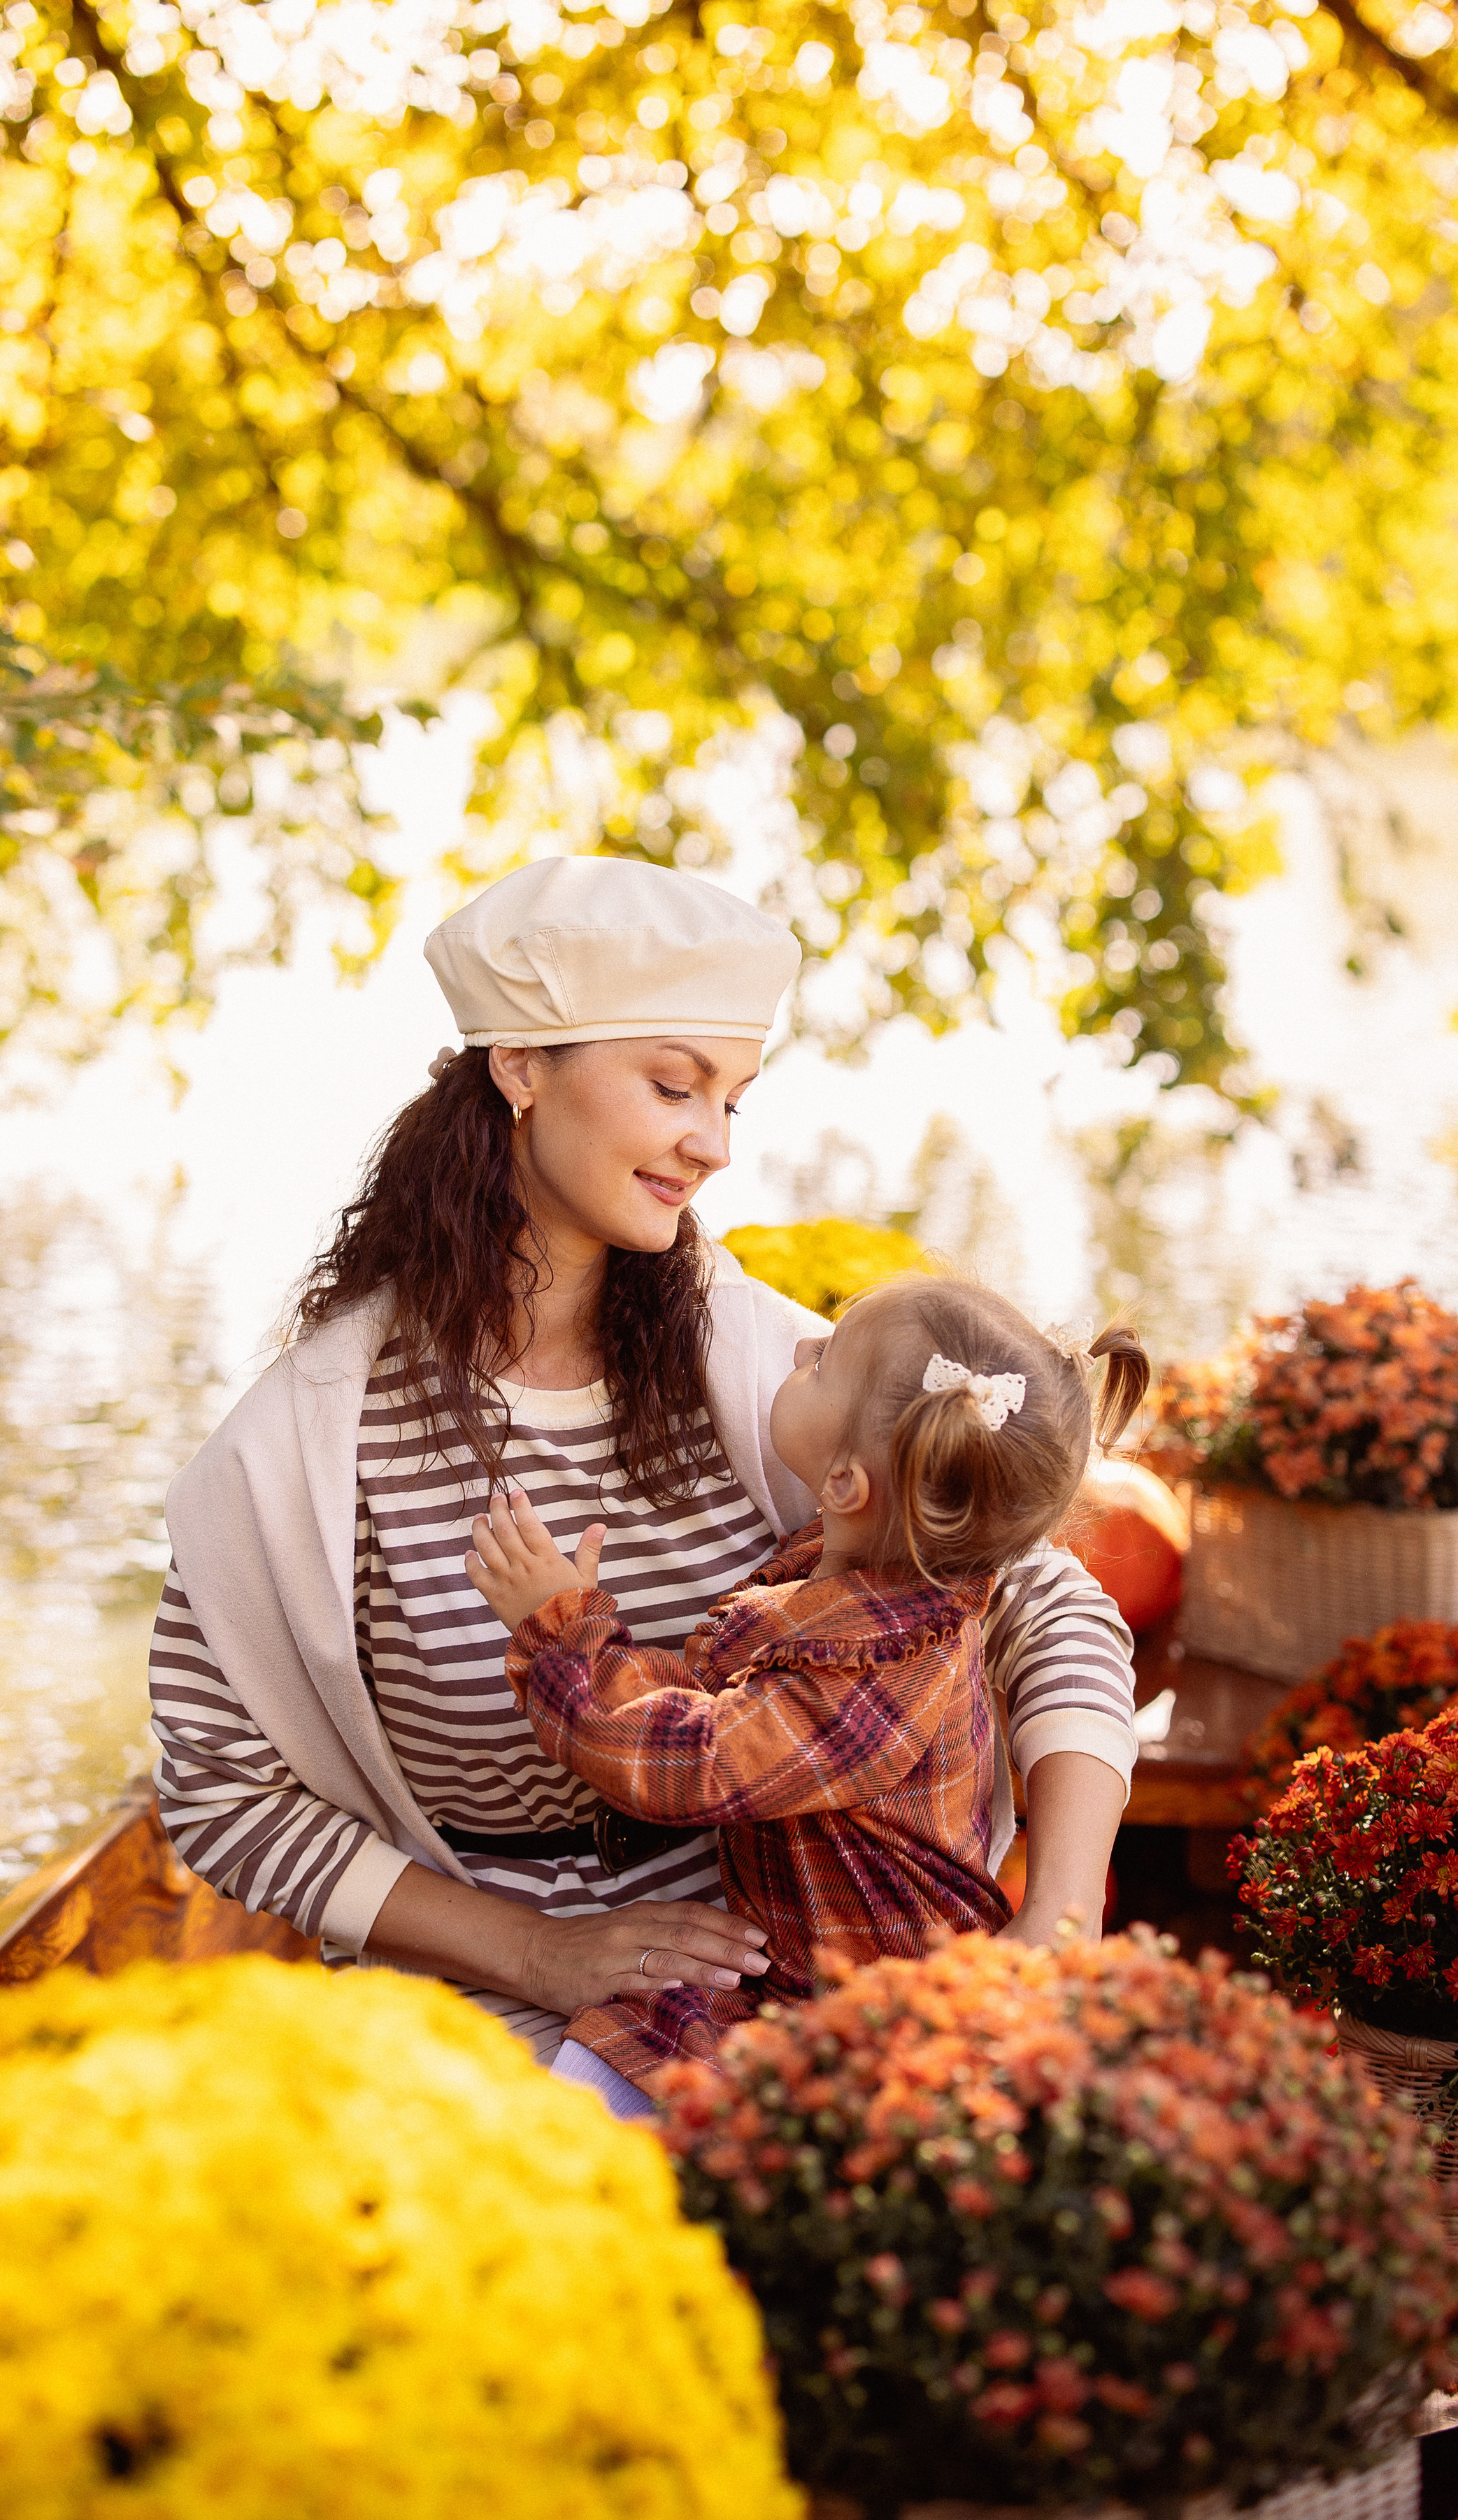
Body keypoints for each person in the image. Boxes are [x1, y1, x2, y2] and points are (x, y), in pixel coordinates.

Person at [149, 856, 1138, 2119]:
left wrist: (1060, 1906)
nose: (713, 1146)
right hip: (474, 1982)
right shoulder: (309, 1445)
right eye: (675, 1086)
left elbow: (1039, 1601)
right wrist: (538, 1956)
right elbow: (223, 1792)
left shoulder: (766, 1367)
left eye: (735, 1100)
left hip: (802, 1964)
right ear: (520, 1067)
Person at [465, 1275, 1150, 2100]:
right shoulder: (856, 1586)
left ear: (842, 1486)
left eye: (822, 1362)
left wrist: (561, 1636)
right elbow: (719, 1700)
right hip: (808, 1976)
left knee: (593, 2115)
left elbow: (699, 1761)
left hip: (869, 2022)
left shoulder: (877, 1672)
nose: (797, 1345)